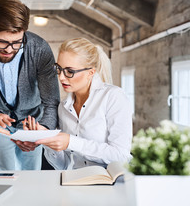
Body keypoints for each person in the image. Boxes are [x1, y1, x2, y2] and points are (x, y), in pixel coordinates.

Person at [0, 0, 60, 170]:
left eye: (16, 43)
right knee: (1, 179)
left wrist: (42, 131)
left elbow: (51, 101)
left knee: (31, 180)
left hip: (33, 125)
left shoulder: (39, 48)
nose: (9, 49)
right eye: (2, 42)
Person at [26, 38, 132, 169]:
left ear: (91, 72)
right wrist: (48, 139)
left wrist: (71, 142)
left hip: (109, 182)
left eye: (70, 71)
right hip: (76, 182)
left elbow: (121, 155)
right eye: (59, 69)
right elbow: (63, 165)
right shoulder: (63, 107)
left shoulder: (114, 97)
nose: (61, 77)